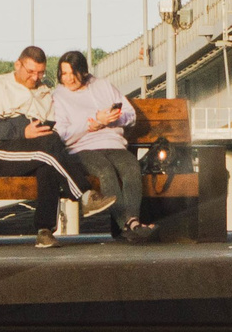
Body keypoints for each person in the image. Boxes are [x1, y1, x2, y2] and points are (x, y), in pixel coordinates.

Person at [0, 45, 89, 249]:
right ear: (18, 65)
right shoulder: (0, 87)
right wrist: (23, 131)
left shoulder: (44, 91)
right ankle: (85, 194)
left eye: (40, 73)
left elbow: (52, 124)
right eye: (30, 71)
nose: (35, 77)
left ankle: (44, 231)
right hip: (5, 153)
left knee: (48, 164)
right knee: (48, 150)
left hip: (39, 150)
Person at [55, 51, 157, 244]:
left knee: (131, 167)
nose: (69, 79)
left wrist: (113, 118)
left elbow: (131, 115)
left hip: (113, 143)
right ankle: (127, 225)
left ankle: (132, 220)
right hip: (81, 148)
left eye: (73, 73)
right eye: (64, 74)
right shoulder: (58, 96)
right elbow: (63, 136)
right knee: (105, 171)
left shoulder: (103, 86)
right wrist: (92, 124)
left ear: (84, 72)